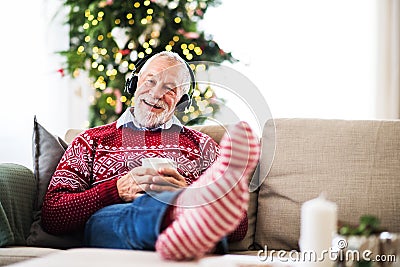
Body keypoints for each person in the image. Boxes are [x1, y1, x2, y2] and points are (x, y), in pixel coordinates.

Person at [41, 51, 260, 260]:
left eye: (170, 88)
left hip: (191, 221)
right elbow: (53, 215)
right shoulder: (91, 140)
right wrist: (116, 190)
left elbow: (238, 226)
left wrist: (186, 193)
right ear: (134, 84)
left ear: (182, 101)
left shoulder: (202, 145)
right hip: (114, 222)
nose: (156, 93)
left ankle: (184, 215)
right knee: (121, 217)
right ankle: (181, 221)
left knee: (195, 204)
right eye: (150, 81)